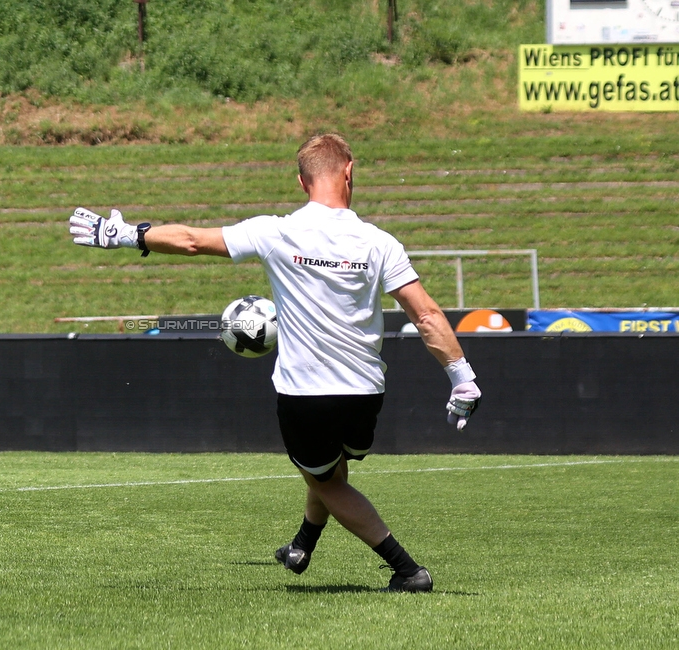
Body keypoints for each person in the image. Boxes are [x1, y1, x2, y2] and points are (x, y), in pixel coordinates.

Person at [68, 133, 481, 593]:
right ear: (349, 172)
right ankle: (302, 545)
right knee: (328, 468)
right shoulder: (379, 242)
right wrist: (462, 379)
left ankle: (407, 570)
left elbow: (189, 241)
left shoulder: (276, 231)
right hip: (366, 393)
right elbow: (426, 314)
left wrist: (125, 234)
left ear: (302, 182)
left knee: (325, 480)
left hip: (305, 393)